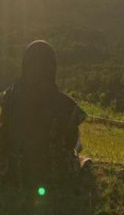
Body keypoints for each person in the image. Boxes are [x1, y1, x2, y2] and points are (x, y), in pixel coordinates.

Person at [0, 40, 88, 189]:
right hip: (53, 173)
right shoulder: (66, 105)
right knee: (78, 147)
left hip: (14, 171)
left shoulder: (8, 97)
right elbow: (70, 142)